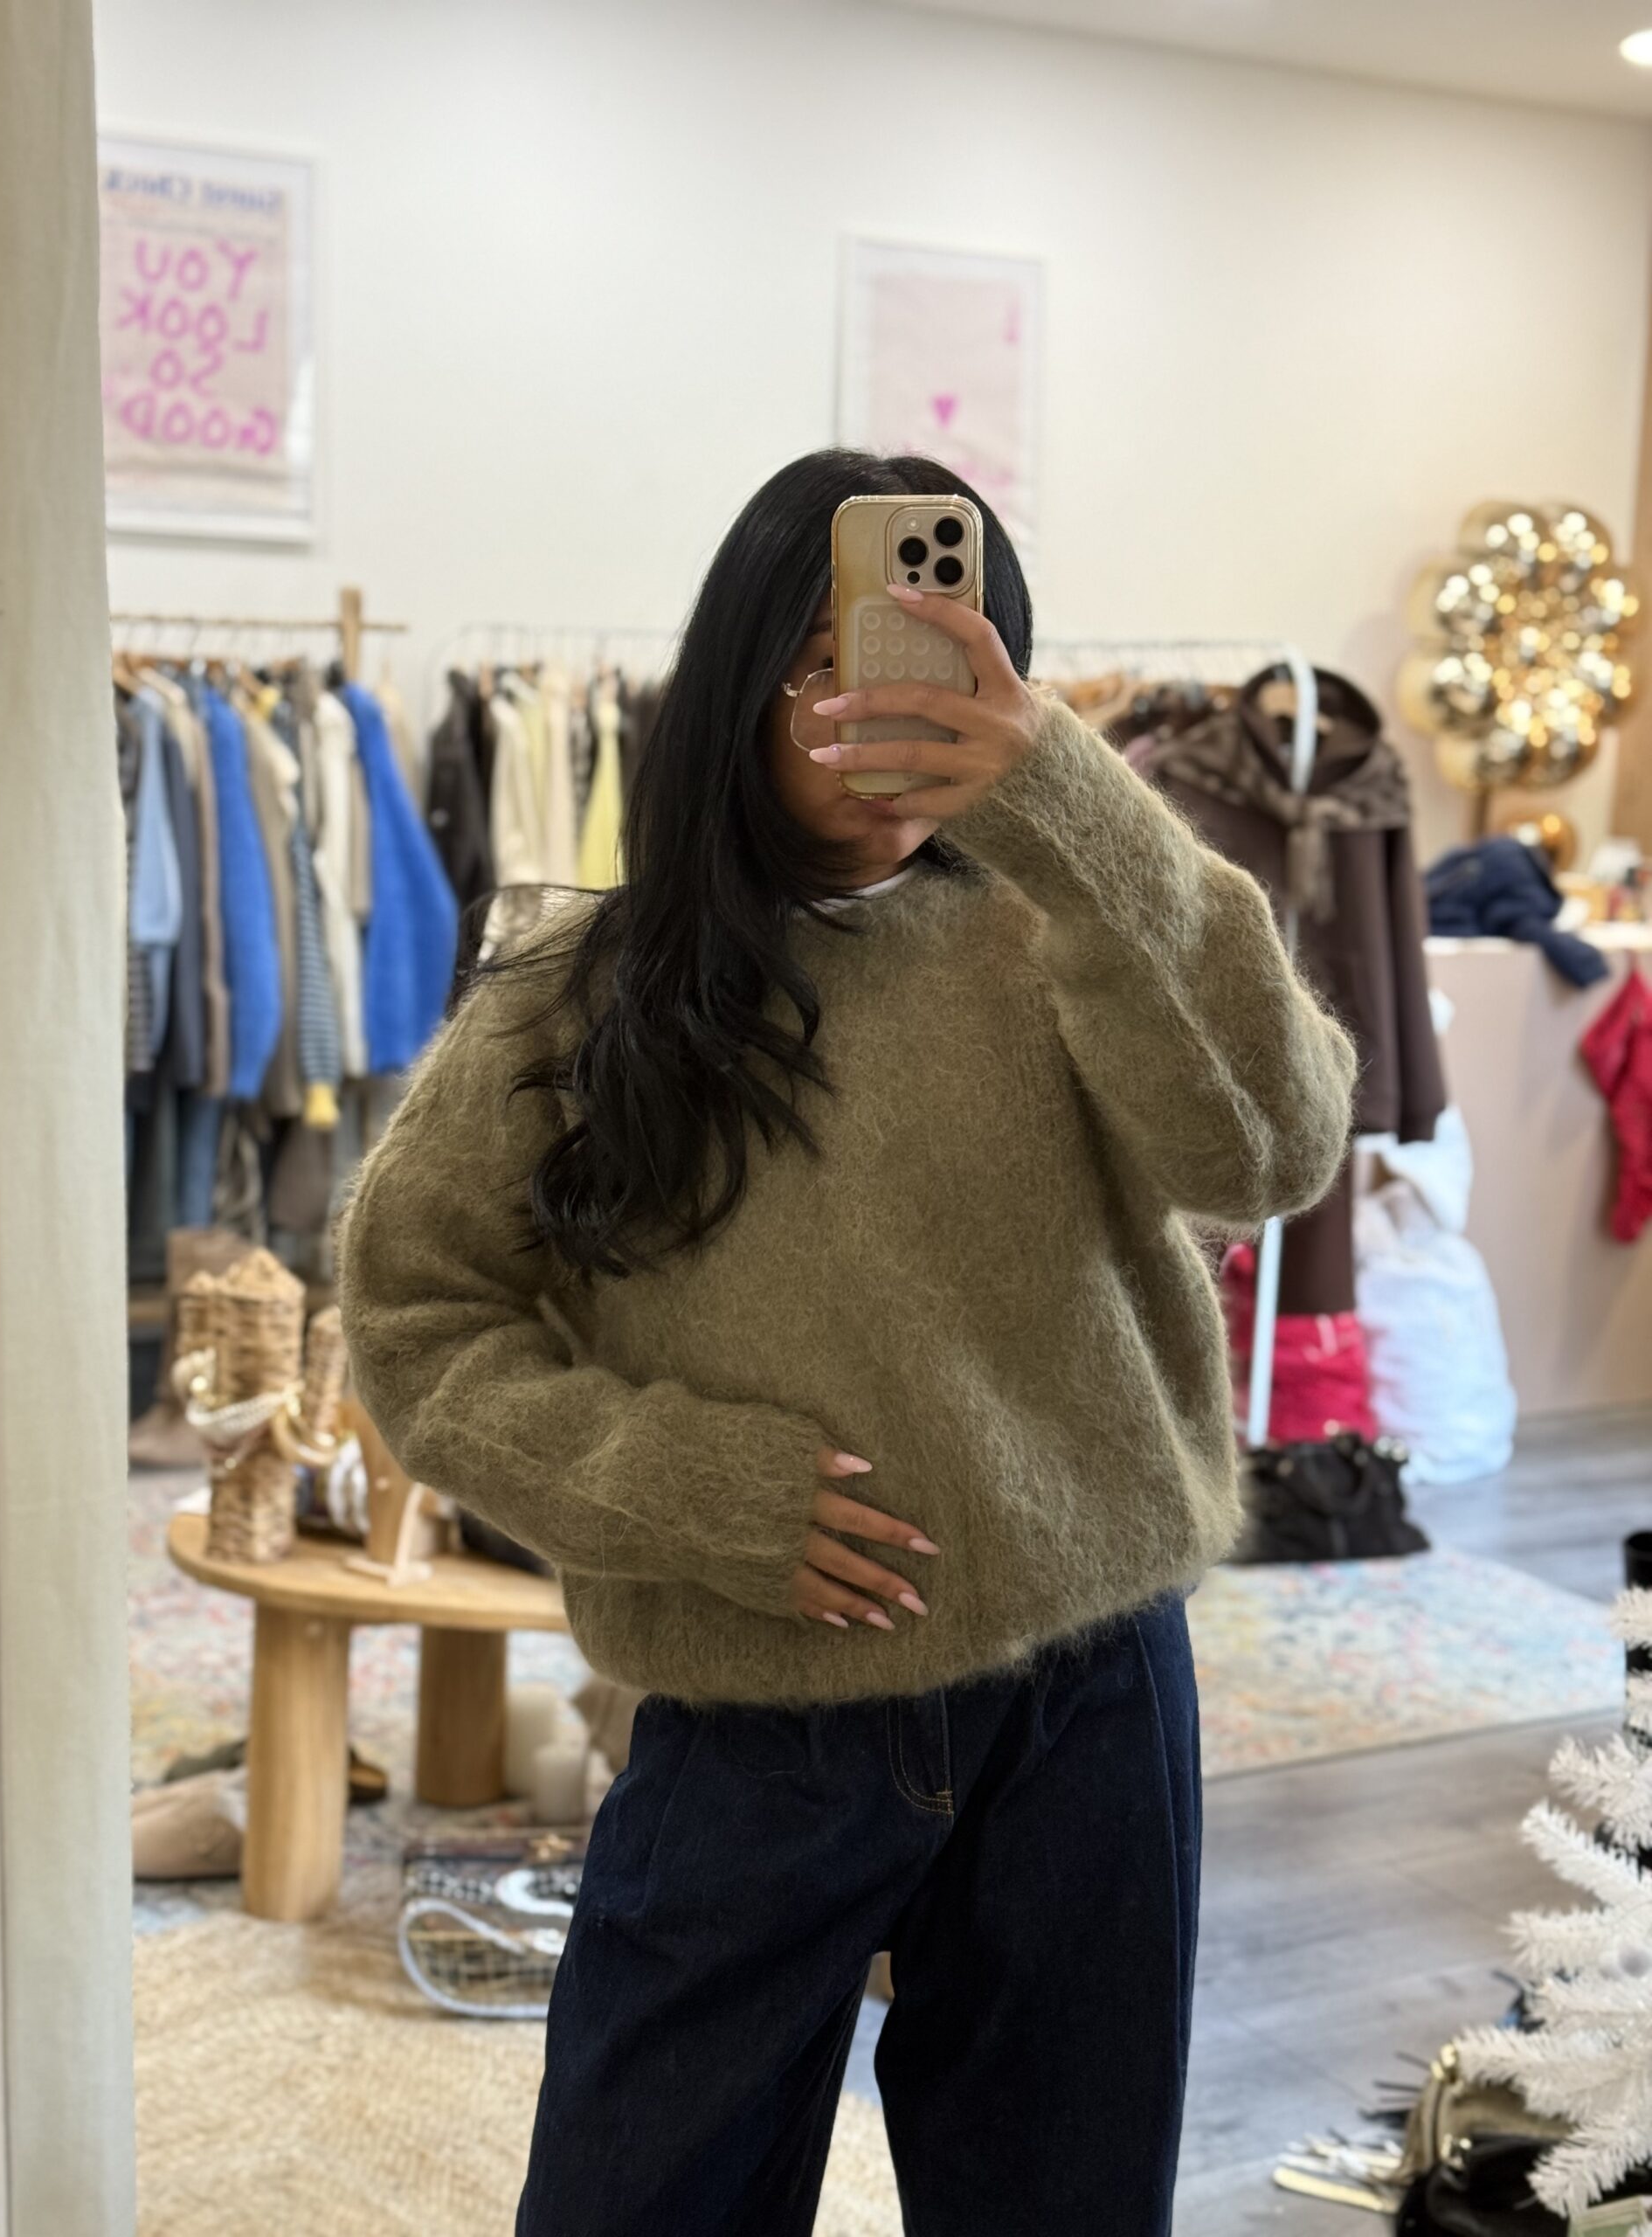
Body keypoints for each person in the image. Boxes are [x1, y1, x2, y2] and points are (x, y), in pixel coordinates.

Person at [338, 449, 1355, 2235]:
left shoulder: (1068, 938)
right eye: (819, 661)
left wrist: (1076, 808)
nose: (865, 708)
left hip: (1088, 1693)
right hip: (754, 1707)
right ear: (736, 681)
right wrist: (688, 1488)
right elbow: (420, 1322)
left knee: (1061, 2206)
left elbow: (1273, 1148)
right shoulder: (579, 993)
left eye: (934, 658)